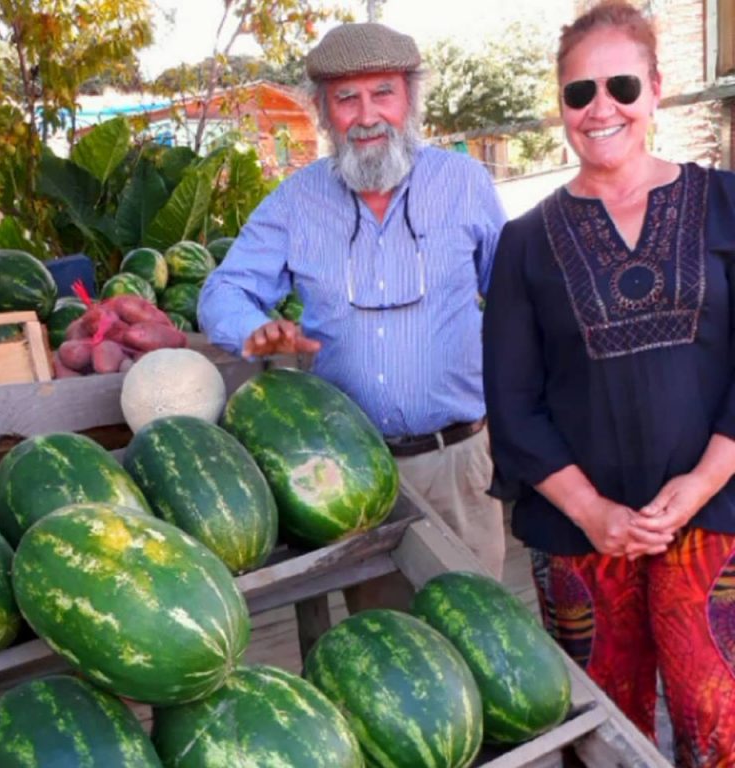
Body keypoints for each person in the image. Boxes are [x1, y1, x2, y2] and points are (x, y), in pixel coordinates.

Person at [483, 2, 735, 765]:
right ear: (560, 106)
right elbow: (513, 401)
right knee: (601, 728)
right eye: (579, 92)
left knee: (717, 718)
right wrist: (594, 513)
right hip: (579, 534)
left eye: (621, 84)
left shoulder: (727, 202)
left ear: (655, 90)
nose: (602, 108)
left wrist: (696, 486)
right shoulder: (524, 242)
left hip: (717, 514)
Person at [198, 22, 507, 580]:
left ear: (410, 98)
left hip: (458, 464)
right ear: (323, 110)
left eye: (382, 92)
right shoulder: (295, 202)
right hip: (350, 475)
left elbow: (515, 298)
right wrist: (250, 327)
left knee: (476, 637)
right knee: (383, 647)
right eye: (346, 98)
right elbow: (223, 290)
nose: (366, 115)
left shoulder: (465, 184)